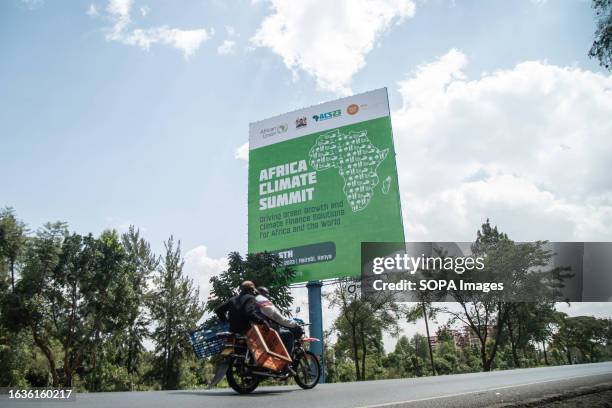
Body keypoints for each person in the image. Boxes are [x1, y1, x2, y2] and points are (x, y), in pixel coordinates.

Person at [255, 286, 304, 354]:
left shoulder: (252, 300)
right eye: (266, 294)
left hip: (255, 330)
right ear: (263, 294)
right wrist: (294, 324)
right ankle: (286, 363)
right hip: (264, 331)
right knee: (289, 335)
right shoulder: (262, 300)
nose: (268, 297)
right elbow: (277, 317)